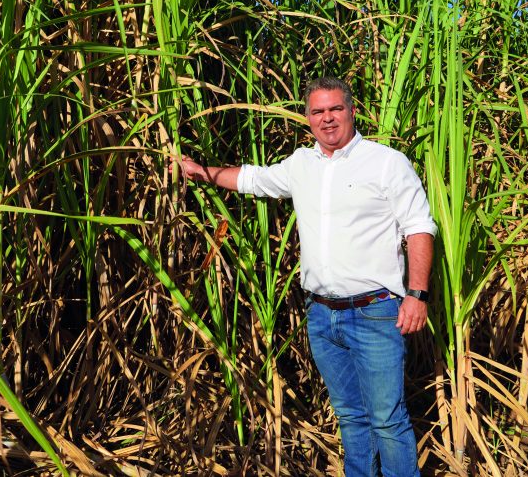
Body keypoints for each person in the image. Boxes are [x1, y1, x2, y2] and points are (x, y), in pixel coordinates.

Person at [178, 77, 436, 477]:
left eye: (335, 109)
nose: (327, 118)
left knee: (387, 420)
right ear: (308, 117)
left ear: (352, 111)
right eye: (318, 111)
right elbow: (251, 179)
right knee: (350, 417)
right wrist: (200, 171)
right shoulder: (301, 164)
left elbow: (419, 227)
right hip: (322, 316)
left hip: (376, 313)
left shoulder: (386, 162)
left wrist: (416, 294)